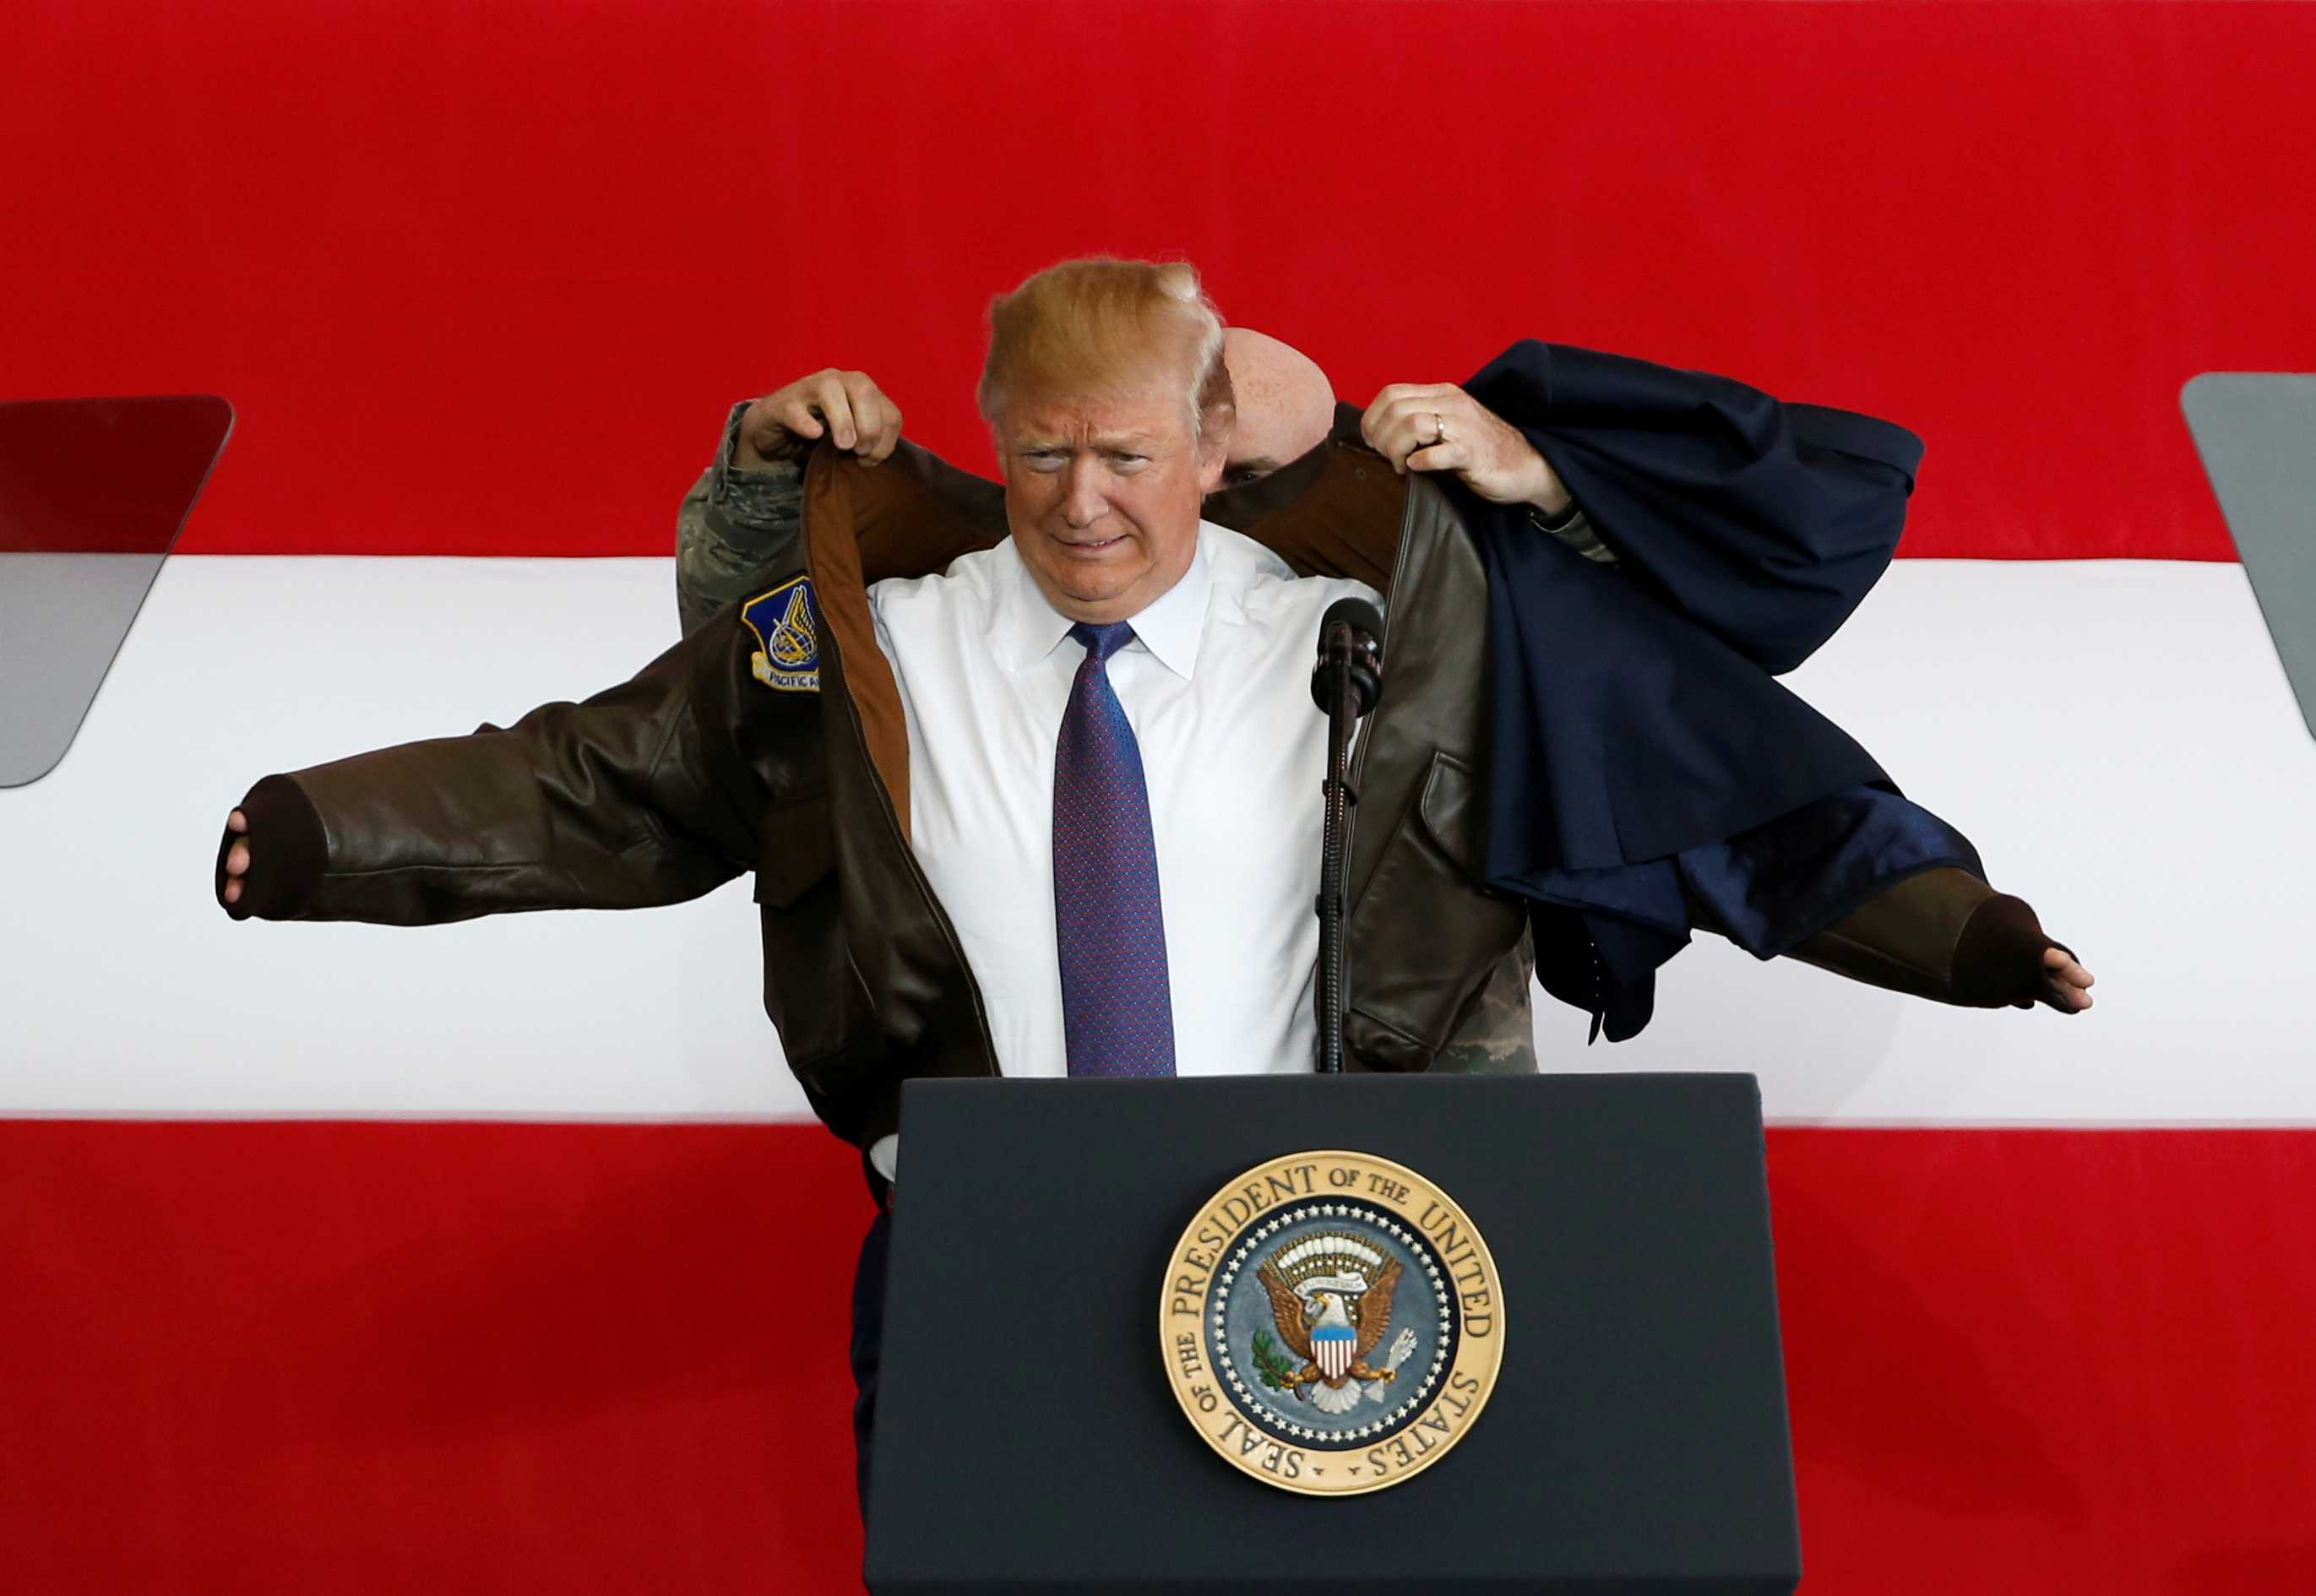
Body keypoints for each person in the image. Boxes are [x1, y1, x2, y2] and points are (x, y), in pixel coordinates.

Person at [215, 258, 2092, 1509]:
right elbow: (584, 779)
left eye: (1127, 452)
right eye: (1042, 451)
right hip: (985, 1254)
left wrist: (1971, 940)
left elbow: (1715, 782)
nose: (1083, 500)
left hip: (1353, 1248)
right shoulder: (864, 634)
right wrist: (310, 835)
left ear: (1214, 445)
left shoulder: (1400, 625)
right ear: (992, 436)